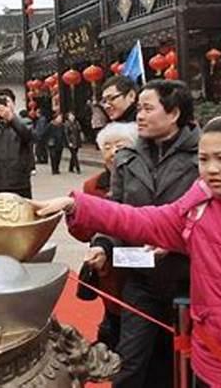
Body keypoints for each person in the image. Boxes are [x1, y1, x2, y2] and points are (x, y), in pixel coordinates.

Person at [34, 115, 221, 387]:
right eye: (203, 159)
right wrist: (75, 205)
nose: (211, 169)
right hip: (217, 363)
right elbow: (138, 220)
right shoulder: (196, 209)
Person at [92, 79, 199, 388]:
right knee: (130, 363)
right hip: (140, 278)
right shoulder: (127, 158)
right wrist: (103, 245)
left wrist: (174, 241)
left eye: (147, 108)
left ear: (174, 112)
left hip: (190, 278)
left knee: (188, 364)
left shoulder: (203, 157)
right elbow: (116, 212)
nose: (138, 115)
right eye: (138, 108)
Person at [79, 121, 138, 350]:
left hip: (141, 261)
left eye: (120, 146)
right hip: (109, 264)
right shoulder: (92, 186)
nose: (114, 152)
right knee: (114, 311)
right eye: (107, 147)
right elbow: (84, 233)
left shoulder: (143, 182)